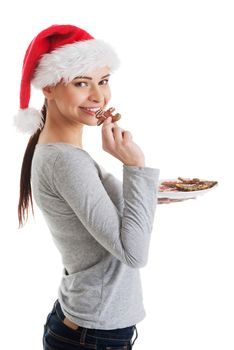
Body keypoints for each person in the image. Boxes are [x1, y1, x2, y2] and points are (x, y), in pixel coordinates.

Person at [15, 24, 160, 350]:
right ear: (49, 88)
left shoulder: (64, 154)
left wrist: (149, 188)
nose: (99, 96)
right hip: (92, 336)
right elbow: (133, 253)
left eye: (103, 81)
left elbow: (111, 215)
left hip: (90, 328)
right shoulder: (66, 162)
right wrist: (135, 167)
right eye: (82, 83)